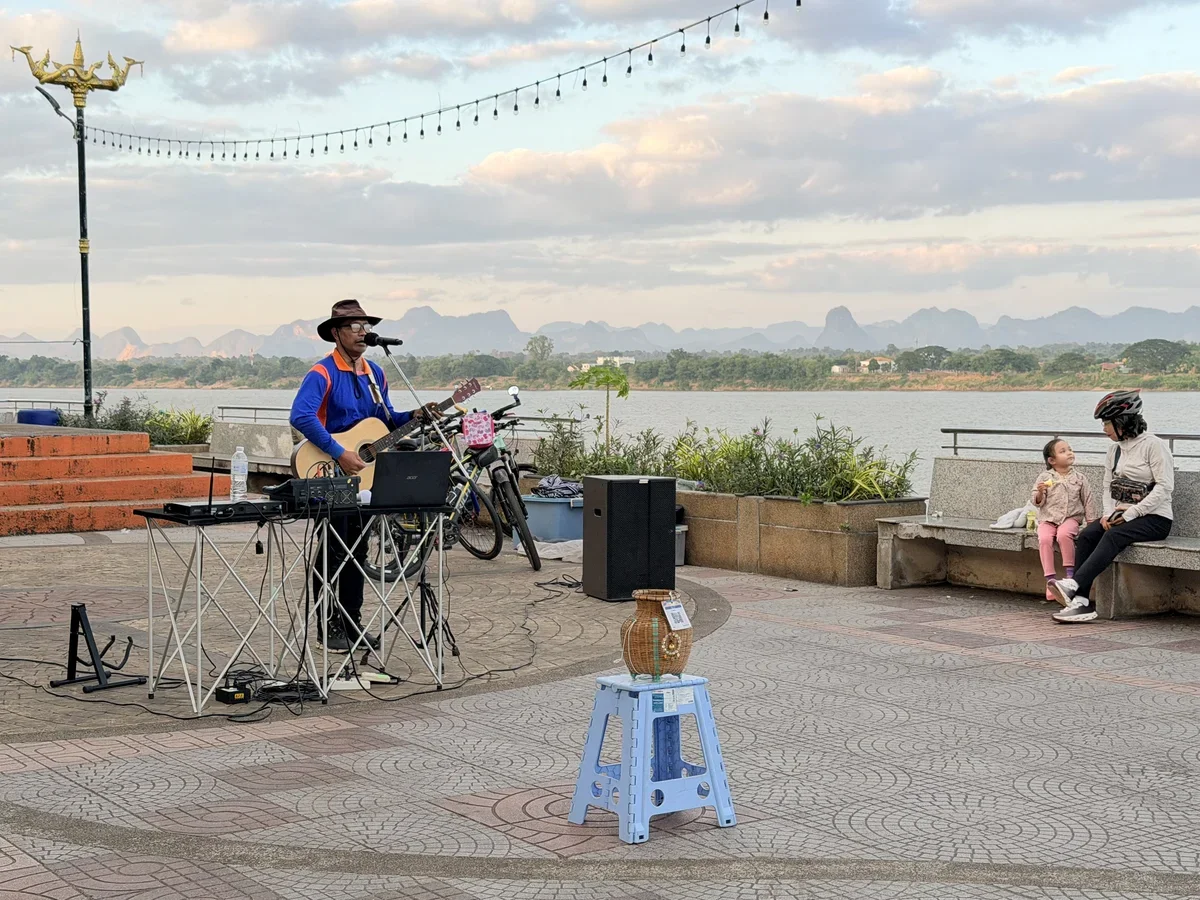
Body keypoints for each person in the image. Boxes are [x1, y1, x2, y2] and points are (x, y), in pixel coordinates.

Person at [290, 299, 439, 653]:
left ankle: (351, 622)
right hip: (328, 471)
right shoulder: (322, 373)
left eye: (365, 326)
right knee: (333, 552)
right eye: (354, 327)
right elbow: (301, 416)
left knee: (357, 551)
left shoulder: (375, 373)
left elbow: (384, 421)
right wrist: (340, 452)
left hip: (364, 478)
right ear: (336, 334)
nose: (362, 332)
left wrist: (414, 416)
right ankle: (328, 626)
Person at [1050, 390, 1174, 623]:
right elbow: (1107, 486)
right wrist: (1108, 513)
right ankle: (1081, 603)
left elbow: (1164, 488)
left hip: (1155, 518)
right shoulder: (1114, 450)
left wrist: (1131, 513)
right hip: (1120, 515)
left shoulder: (1154, 446)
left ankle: (1074, 585)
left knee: (1114, 535)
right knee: (1088, 535)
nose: (1104, 428)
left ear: (1122, 422)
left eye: (1107, 423)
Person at [1032, 438, 1096, 603]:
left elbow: (1088, 500)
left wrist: (1091, 523)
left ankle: (1070, 576)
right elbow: (1037, 502)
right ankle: (1050, 581)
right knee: (1044, 538)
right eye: (1063, 451)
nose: (1069, 453)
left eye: (1070, 449)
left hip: (1070, 518)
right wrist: (1040, 492)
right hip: (1048, 519)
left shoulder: (1079, 478)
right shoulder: (1045, 477)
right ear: (1052, 460)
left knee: (1064, 535)